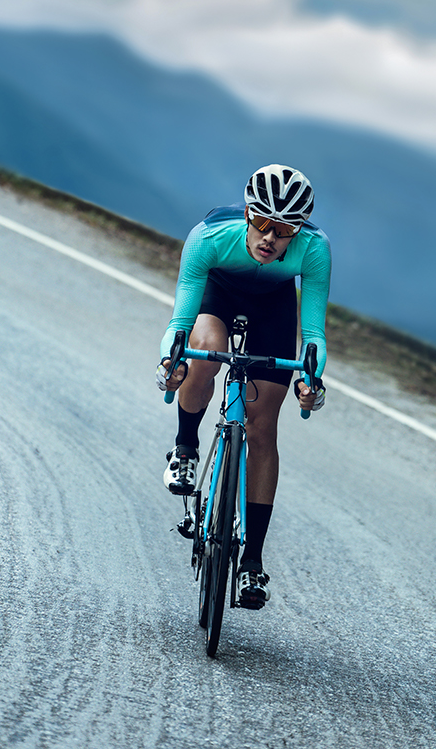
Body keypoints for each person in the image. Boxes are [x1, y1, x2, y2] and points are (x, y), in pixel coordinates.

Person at [156, 164, 331, 610]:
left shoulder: (314, 251)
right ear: (250, 214)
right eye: (262, 223)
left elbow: (313, 336)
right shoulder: (210, 236)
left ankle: (251, 561)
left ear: (298, 230)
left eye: (284, 229)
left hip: (273, 306)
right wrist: (170, 361)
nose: (270, 237)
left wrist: (312, 381)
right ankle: (185, 449)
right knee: (205, 350)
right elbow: (179, 323)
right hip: (220, 291)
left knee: (262, 425)